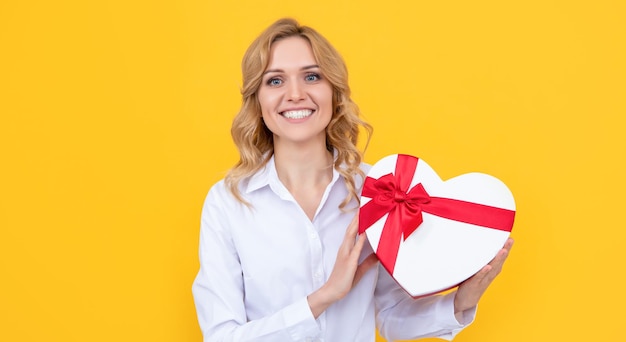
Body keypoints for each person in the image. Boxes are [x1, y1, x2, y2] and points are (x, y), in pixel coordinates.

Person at [192, 17, 514, 342]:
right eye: (275, 81)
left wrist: (462, 301)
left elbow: (389, 314)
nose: (295, 93)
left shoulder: (380, 189)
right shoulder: (228, 203)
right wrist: (324, 296)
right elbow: (222, 336)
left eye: (312, 76)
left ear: (335, 92)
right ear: (257, 101)